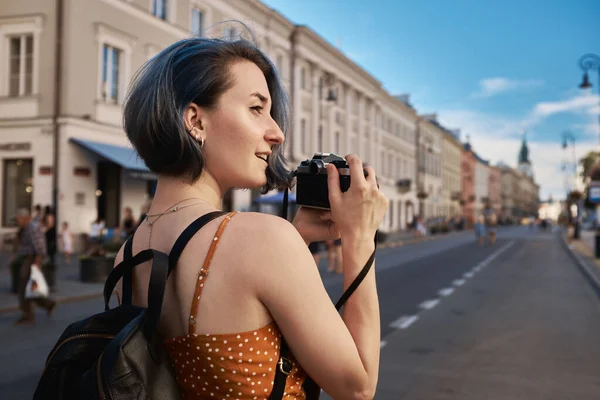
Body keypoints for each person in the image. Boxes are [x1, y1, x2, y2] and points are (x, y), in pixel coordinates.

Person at [114, 35, 388, 399]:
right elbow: (358, 386)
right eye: (257, 109)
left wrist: (297, 237)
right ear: (195, 120)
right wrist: (359, 238)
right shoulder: (262, 238)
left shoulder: (128, 255)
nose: (277, 133)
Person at [14, 208, 56, 324]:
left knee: (25, 288)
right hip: (28, 258)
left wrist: (36, 264)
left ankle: (28, 316)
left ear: (25, 218)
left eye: (19, 219)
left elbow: (40, 247)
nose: (17, 221)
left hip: (33, 259)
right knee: (30, 288)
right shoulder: (26, 228)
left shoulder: (32, 228)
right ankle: (48, 304)